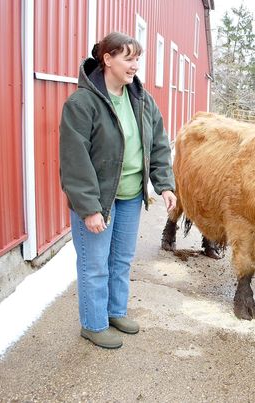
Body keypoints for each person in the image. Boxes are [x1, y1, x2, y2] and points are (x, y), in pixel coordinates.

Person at [59, 32, 176, 349]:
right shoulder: (82, 103)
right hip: (98, 200)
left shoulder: (142, 100)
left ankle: (114, 312)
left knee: (121, 260)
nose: (135, 65)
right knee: (94, 264)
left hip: (129, 198)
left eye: (138, 58)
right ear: (107, 59)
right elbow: (74, 160)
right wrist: (89, 208)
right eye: (128, 58)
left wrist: (164, 184)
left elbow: (159, 145)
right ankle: (93, 324)